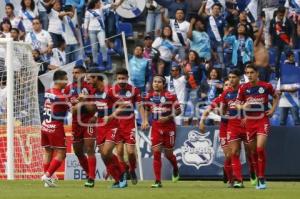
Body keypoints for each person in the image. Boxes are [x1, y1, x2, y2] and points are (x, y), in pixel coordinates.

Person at [237, 64, 280, 190]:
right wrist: (243, 107)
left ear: (257, 73)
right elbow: (236, 104)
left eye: (251, 72)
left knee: (260, 149)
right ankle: (256, 173)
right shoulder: (243, 88)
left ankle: (261, 178)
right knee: (252, 152)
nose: (249, 75)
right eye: (247, 73)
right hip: (249, 122)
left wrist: (272, 109)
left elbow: (276, 96)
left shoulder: (266, 86)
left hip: (262, 119)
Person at [85, 69, 128, 188]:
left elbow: (124, 105)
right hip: (100, 125)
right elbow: (98, 107)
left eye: (89, 78)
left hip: (112, 125)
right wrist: (94, 116)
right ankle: (118, 179)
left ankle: (123, 173)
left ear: (96, 78)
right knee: (104, 156)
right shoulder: (93, 91)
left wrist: (111, 116)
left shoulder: (110, 91)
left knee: (106, 152)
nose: (88, 81)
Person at [108, 68, 148, 185]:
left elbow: (140, 106)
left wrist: (144, 120)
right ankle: (125, 170)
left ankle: (132, 169)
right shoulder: (111, 91)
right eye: (119, 78)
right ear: (116, 78)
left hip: (129, 123)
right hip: (116, 124)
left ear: (127, 78)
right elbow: (107, 107)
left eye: (123, 78)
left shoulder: (134, 90)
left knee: (130, 152)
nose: (121, 81)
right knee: (119, 152)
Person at [142, 74, 181, 188]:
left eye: (159, 82)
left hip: (169, 127)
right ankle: (158, 181)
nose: (156, 84)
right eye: (154, 81)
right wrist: (145, 120)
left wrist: (168, 117)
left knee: (169, 155)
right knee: (156, 153)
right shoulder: (148, 96)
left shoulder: (171, 95)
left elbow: (179, 111)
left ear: (164, 84)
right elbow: (146, 109)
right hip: (156, 127)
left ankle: (175, 168)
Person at [64, 65, 97, 187]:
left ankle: (92, 178)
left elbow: (92, 109)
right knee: (78, 151)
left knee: (89, 149)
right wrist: (82, 102)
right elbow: (71, 110)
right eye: (73, 72)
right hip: (75, 122)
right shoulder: (68, 89)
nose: (74, 75)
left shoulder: (90, 88)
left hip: (88, 121)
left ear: (84, 74)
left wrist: (83, 101)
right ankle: (89, 174)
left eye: (77, 72)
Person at [199, 78, 233, 187]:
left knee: (234, 154)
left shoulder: (238, 97)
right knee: (228, 154)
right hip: (224, 127)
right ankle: (230, 179)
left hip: (236, 128)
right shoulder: (220, 98)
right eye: (226, 84)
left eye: (230, 84)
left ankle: (231, 174)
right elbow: (208, 109)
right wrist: (202, 121)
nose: (228, 86)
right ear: (223, 88)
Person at [41, 70, 69, 187]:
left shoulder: (48, 92)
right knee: (62, 153)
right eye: (66, 79)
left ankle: (48, 180)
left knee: (48, 151)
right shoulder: (61, 97)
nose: (67, 81)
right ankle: (47, 176)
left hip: (45, 126)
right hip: (55, 127)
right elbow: (73, 108)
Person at [83, 0, 124, 68]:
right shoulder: (88, 12)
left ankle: (105, 59)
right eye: (99, 2)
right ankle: (95, 61)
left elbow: (113, 5)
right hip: (91, 31)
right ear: (95, 3)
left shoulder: (101, 9)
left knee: (102, 45)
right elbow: (85, 23)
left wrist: (120, 1)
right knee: (94, 47)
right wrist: (85, 33)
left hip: (100, 30)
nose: (100, 3)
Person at [199, 2, 225, 70]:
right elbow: (200, 14)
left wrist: (224, 41)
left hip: (219, 43)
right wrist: (203, 4)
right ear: (212, 9)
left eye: (218, 9)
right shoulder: (209, 18)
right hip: (209, 43)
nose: (216, 10)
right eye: (215, 8)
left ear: (220, 10)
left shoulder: (222, 19)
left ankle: (220, 76)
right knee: (208, 61)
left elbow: (225, 31)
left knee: (220, 60)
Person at [269, 6, 294, 79]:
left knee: (290, 57)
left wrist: (291, 41)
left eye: (282, 15)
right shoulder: (273, 21)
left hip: (286, 43)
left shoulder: (287, 21)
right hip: (277, 43)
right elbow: (271, 32)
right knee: (277, 60)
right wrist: (271, 42)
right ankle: (277, 75)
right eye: (279, 15)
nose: (281, 17)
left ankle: (292, 74)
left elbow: (292, 31)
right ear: (277, 13)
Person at [276, 51, 300, 126]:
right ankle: (281, 137)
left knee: (296, 121)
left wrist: (282, 89)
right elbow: (278, 91)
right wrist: (280, 91)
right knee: (282, 122)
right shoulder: (281, 78)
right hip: (283, 102)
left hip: (294, 102)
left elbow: (294, 89)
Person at [253, 17, 270, 82]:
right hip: (260, 68)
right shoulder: (255, 43)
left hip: (266, 68)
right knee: (261, 87)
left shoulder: (263, 44)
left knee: (266, 86)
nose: (261, 35)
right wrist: (262, 24)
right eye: (255, 32)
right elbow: (259, 35)